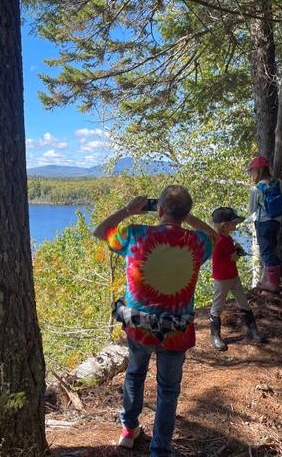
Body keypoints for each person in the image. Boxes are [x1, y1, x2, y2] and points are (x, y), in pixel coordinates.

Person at [92, 185, 216, 457]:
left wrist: (127, 210)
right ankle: (160, 449)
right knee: (168, 391)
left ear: (158, 210)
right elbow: (215, 237)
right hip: (175, 332)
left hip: (139, 328)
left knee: (135, 374)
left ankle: (129, 430)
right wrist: (189, 218)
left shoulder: (135, 234)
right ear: (185, 214)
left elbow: (98, 231)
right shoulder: (197, 242)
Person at [209, 207, 267, 351]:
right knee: (218, 306)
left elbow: (229, 255)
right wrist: (234, 256)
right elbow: (218, 260)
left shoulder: (227, 237)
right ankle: (215, 336)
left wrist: (236, 250)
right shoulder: (217, 239)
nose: (236, 226)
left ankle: (253, 331)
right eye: (233, 223)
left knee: (243, 302)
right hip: (222, 278)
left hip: (233, 275)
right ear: (224, 225)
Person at [248, 156, 282, 296]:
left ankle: (273, 284)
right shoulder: (277, 182)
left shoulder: (256, 189)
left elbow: (251, 209)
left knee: (267, 253)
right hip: (276, 223)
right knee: (272, 252)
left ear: (256, 171)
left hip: (263, 224)